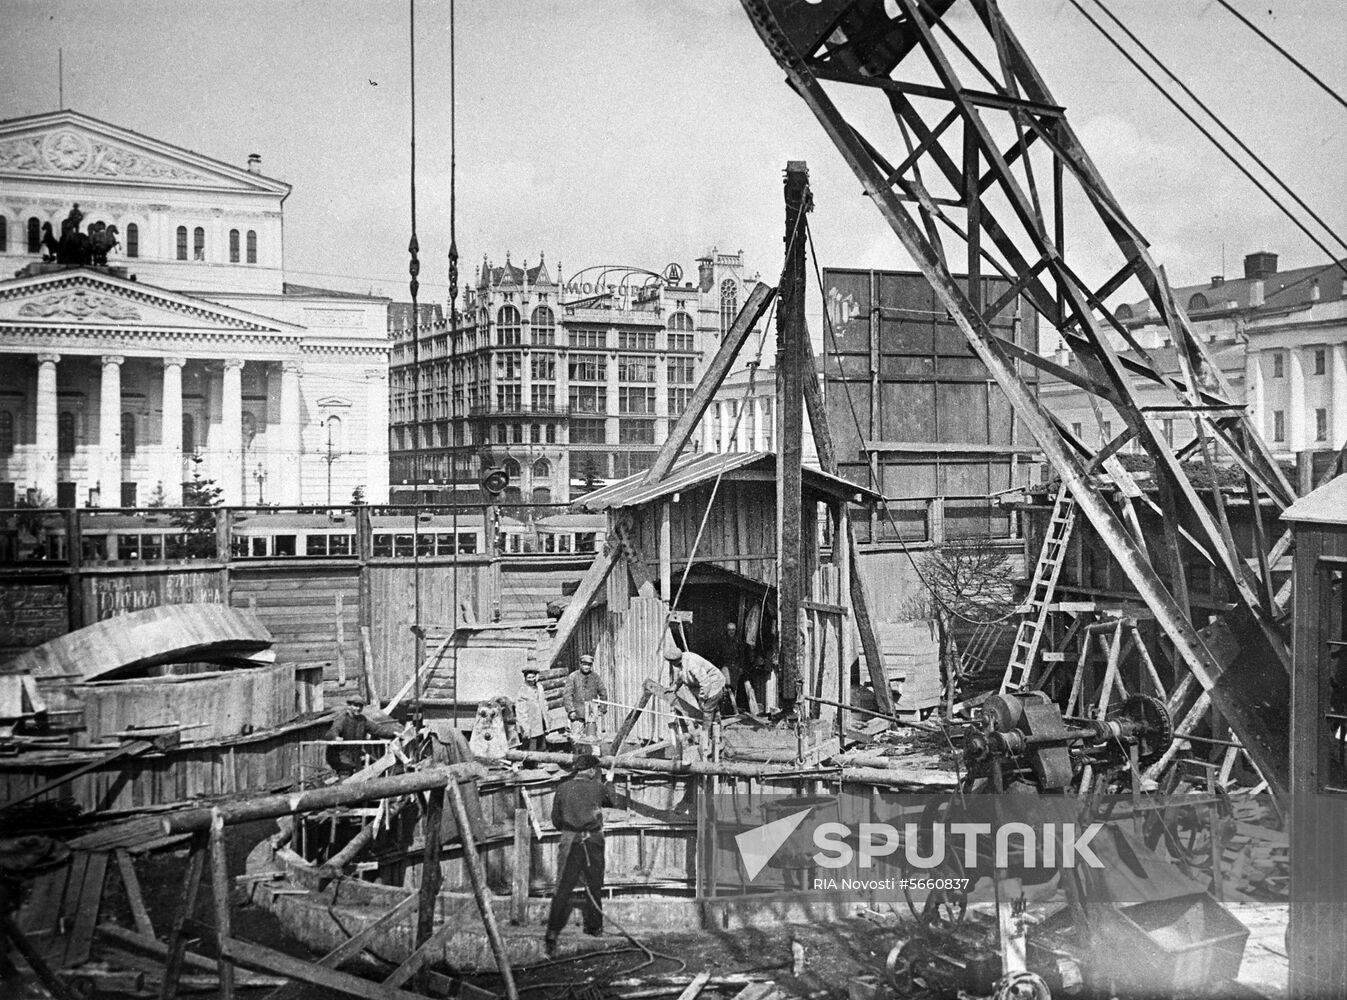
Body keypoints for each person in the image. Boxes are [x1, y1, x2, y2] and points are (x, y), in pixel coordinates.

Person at [544, 753, 614, 956]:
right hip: (593, 841)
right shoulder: (598, 788)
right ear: (591, 770)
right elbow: (613, 801)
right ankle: (596, 929)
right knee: (594, 885)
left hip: (570, 841)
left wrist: (570, 826)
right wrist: (609, 782)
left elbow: (556, 820)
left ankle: (551, 932)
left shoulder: (563, 788)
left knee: (563, 888)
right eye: (596, 770)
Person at [664, 642, 726, 724]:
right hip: (706, 685)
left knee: (707, 710)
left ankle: (706, 734)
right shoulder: (682, 662)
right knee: (711, 712)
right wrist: (674, 687)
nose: (671, 664)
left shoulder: (691, 664)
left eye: (672, 662)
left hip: (714, 683)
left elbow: (705, 682)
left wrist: (702, 698)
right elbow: (682, 675)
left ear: (676, 660)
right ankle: (716, 733)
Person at [325, 694, 374, 777]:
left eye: (360, 706)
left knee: (360, 776)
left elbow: (377, 729)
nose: (358, 708)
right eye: (355, 706)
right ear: (349, 706)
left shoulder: (362, 720)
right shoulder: (342, 719)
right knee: (346, 771)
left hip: (354, 755)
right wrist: (335, 737)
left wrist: (393, 733)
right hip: (340, 754)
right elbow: (333, 731)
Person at [562, 654, 608, 742]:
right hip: (577, 715)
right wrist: (571, 710)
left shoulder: (595, 677)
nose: (587, 667)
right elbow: (567, 695)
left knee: (593, 741)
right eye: (584, 664)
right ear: (580, 664)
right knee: (577, 741)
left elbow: (603, 692)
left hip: (592, 716)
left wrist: (602, 708)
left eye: (589, 665)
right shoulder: (573, 676)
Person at [515, 664, 550, 752]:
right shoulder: (523, 690)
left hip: (540, 722)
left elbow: (544, 702)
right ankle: (530, 765)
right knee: (531, 748)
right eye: (529, 677)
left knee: (541, 746)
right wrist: (525, 726)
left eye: (533, 677)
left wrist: (546, 717)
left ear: (536, 677)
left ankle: (540, 763)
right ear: (525, 678)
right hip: (530, 724)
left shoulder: (539, 687)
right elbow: (521, 711)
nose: (531, 679)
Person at [719, 621, 750, 714]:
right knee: (726, 687)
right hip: (726, 666)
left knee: (734, 688)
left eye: (733, 630)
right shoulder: (722, 642)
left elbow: (742, 656)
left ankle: (733, 709)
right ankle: (726, 709)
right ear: (726, 631)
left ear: (735, 631)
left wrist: (741, 667)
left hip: (735, 667)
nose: (731, 632)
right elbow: (719, 655)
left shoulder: (739, 642)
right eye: (729, 630)